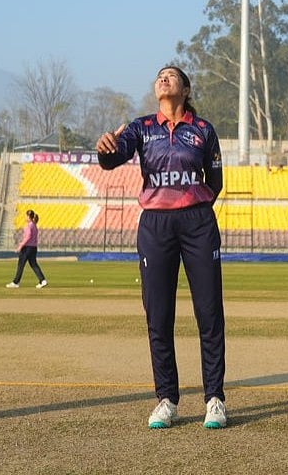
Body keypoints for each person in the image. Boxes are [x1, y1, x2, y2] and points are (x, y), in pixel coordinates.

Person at [95, 66, 227, 429]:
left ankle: (214, 398)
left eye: (171, 76)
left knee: (209, 313)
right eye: (159, 76)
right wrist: (105, 150)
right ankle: (166, 399)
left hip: (197, 223)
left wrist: (191, 206)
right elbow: (112, 159)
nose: (163, 79)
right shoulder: (141, 127)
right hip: (155, 225)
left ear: (185, 89)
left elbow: (214, 182)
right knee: (158, 314)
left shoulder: (203, 130)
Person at [6, 209, 48, 289]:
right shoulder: (34, 225)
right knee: (34, 264)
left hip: (27, 248)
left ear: (28, 217)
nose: (25, 217)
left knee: (21, 265)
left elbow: (28, 236)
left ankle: (16, 282)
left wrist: (20, 246)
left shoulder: (29, 226)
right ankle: (42, 280)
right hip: (33, 248)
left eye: (26, 216)